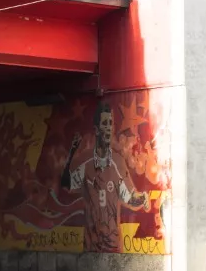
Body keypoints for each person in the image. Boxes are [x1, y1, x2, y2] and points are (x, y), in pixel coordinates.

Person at [61, 102, 150, 252]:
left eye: (110, 123)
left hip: (113, 247)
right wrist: (71, 153)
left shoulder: (117, 164)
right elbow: (66, 184)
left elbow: (129, 198)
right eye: (104, 124)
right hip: (90, 247)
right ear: (96, 130)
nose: (108, 128)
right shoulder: (87, 166)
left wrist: (142, 198)